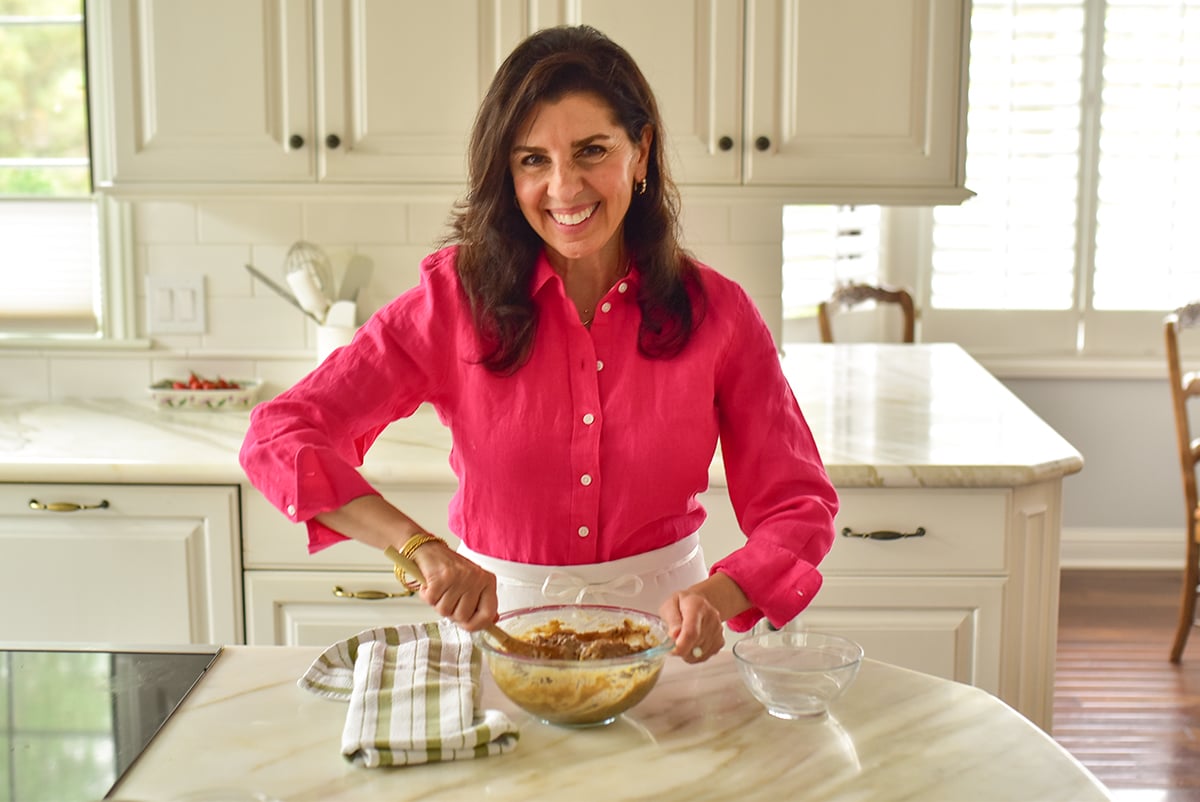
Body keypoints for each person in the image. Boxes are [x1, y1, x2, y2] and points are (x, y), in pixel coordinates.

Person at [239, 24, 838, 663]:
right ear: (507, 171)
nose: (564, 187)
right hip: (498, 637)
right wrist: (418, 549)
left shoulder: (718, 313)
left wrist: (720, 596)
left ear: (641, 151)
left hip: (667, 648)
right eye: (533, 160)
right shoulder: (451, 303)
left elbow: (798, 503)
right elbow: (280, 434)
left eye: (592, 151)